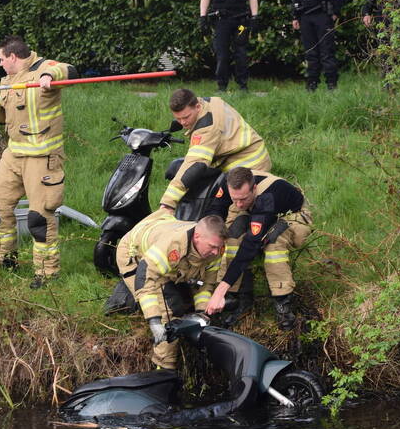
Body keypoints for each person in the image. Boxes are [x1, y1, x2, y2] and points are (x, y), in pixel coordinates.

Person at [0, 36, 76, 288]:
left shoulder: (43, 68)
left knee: (39, 218)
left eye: (1, 59)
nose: (0, 64)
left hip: (41, 157)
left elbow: (69, 70)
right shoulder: (7, 81)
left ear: (12, 57)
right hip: (13, 155)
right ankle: (5, 259)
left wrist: (49, 76)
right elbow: (1, 117)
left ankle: (47, 274)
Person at [205, 167, 312, 331]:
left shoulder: (267, 197)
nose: (239, 204)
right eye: (235, 199)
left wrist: (220, 289)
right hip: (256, 211)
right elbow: (214, 213)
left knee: (273, 243)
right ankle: (239, 298)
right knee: (232, 237)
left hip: (292, 215)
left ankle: (283, 303)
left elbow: (251, 244)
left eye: (243, 199)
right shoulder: (228, 183)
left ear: (254, 188)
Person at [114, 212, 226, 369]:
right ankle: (163, 367)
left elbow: (206, 284)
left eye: (219, 247)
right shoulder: (171, 246)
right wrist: (154, 321)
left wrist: (201, 313)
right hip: (135, 256)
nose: (216, 252)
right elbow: (145, 280)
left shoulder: (215, 248)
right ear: (197, 237)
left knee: (185, 302)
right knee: (171, 311)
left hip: (162, 242)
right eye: (213, 247)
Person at [159, 88, 271, 214]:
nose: (183, 122)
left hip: (249, 163)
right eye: (178, 119)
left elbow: (195, 165)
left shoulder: (207, 128)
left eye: (186, 117)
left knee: (234, 212)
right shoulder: (208, 102)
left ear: (197, 106)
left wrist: (168, 203)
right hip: (249, 153)